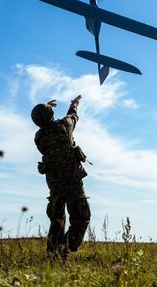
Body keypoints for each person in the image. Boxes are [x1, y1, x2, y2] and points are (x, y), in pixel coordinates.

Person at [31, 95, 90, 261]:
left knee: (57, 222)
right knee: (81, 218)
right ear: (50, 115)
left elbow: (44, 121)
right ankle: (65, 247)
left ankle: (52, 256)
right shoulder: (63, 126)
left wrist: (46, 109)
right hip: (72, 182)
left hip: (54, 186)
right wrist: (74, 104)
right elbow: (73, 116)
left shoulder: (39, 138)